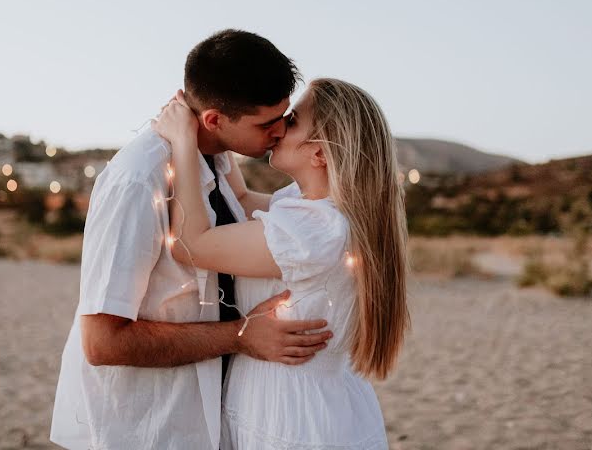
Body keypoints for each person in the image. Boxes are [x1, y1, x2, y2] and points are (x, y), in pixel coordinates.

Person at [50, 30, 334, 450]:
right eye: (266, 123)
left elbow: (254, 211)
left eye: (285, 117)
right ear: (215, 119)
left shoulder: (215, 159)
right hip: (148, 428)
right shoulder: (138, 179)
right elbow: (102, 341)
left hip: (210, 419)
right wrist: (241, 336)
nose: (280, 131)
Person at [153, 77, 410, 449]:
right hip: (318, 400)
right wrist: (221, 132)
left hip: (292, 416)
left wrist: (183, 141)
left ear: (319, 152)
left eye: (291, 122)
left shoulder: (312, 230)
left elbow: (189, 246)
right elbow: (238, 198)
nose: (277, 130)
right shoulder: (313, 210)